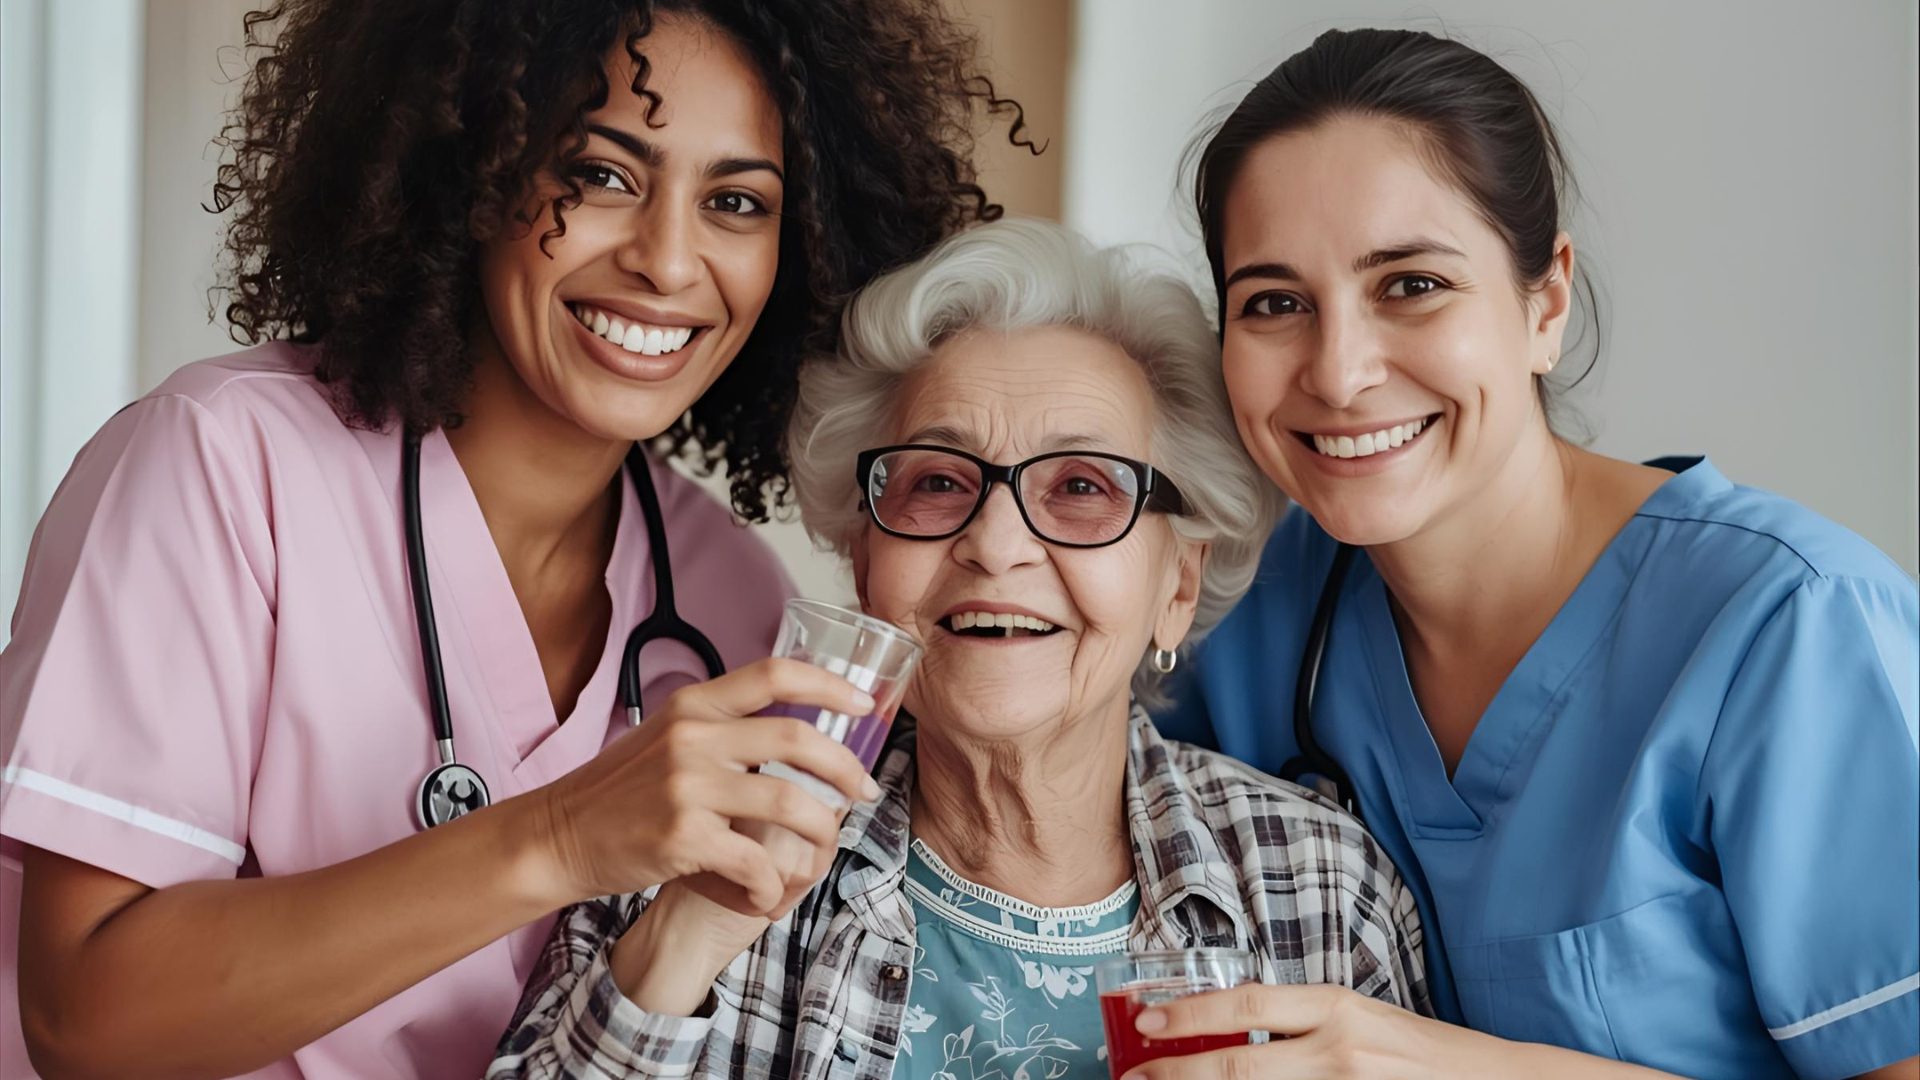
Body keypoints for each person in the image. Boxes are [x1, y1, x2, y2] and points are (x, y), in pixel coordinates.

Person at [0, 2, 1017, 1076]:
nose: (669, 263)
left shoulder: (730, 600)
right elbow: (87, 1021)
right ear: (471, 166)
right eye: (603, 174)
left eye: (735, 202)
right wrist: (561, 837)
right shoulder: (219, 464)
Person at [1142, 27, 1919, 1080]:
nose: (1337, 371)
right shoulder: (1238, 607)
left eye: (1410, 284)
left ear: (1544, 302)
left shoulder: (1791, 624)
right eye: (1275, 304)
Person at [485, 218, 1429, 1080]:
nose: (996, 543)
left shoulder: (1320, 888)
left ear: (1176, 587)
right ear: (865, 557)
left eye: (1083, 487)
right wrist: (692, 928)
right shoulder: (686, 837)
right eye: (937, 481)